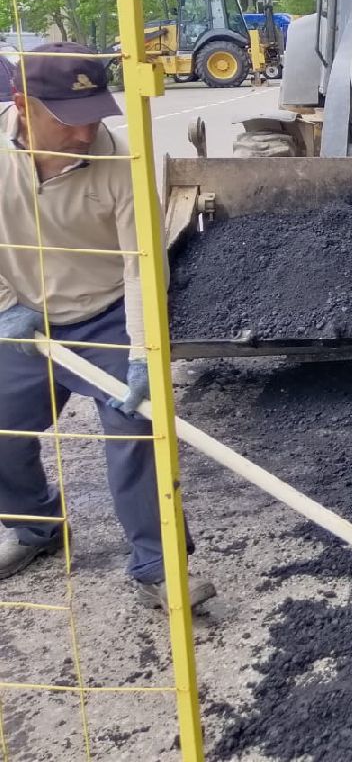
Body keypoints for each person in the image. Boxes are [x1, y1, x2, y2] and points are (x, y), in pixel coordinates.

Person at [0, 42, 214, 610]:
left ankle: (158, 566)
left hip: (108, 317)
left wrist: (142, 349)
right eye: (69, 118)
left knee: (137, 435)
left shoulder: (121, 162)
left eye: (94, 112)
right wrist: (4, 305)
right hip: (21, 321)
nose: (85, 129)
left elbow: (142, 264)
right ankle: (36, 526)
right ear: (23, 105)